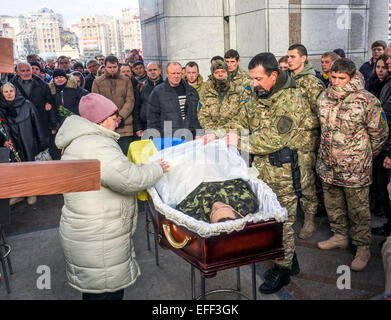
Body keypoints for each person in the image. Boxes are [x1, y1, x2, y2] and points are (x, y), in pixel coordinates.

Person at [54, 93, 169, 300]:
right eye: (114, 117)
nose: (118, 122)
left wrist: (133, 168)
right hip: (99, 235)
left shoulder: (81, 140)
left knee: (95, 292)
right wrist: (156, 169)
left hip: (89, 231)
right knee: (106, 294)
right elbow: (128, 180)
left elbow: (114, 172)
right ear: (101, 119)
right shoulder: (97, 144)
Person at [221, 52, 306, 294]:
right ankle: (290, 261)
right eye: (252, 78)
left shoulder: (290, 99)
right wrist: (225, 134)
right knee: (270, 217)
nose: (254, 83)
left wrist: (239, 140)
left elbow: (274, 139)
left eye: (258, 78)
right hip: (262, 170)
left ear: (274, 75)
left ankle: (283, 270)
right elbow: (241, 119)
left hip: (285, 173)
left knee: (282, 221)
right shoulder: (259, 95)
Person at [316, 58, 388, 272]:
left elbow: (380, 133)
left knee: (358, 210)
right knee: (333, 205)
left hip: (355, 168)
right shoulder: (324, 98)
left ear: (352, 77)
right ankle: (339, 236)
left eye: (342, 78)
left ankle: (362, 248)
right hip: (328, 165)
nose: (336, 81)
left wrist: (362, 155)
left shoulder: (367, 101)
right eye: (334, 77)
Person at [287, 43, 326, 239]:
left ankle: (310, 219)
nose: (289, 60)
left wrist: (297, 121)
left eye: (293, 56)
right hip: (288, 141)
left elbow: (322, 115)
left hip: (306, 141)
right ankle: (292, 215)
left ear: (303, 58)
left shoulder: (313, 83)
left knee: (306, 181)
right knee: (291, 179)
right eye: (288, 57)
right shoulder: (287, 81)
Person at [0, 83, 48, 205]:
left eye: (11, 90)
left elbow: (37, 123)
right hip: (11, 144)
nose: (9, 93)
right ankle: (18, 193)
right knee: (14, 169)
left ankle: (32, 191)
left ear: (15, 91)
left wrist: (41, 142)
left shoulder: (27, 105)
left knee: (29, 166)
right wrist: (2, 141)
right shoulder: (1, 109)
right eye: (6, 91)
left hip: (28, 141)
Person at [11, 62, 57, 159]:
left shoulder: (42, 85)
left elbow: (51, 104)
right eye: (23, 71)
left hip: (40, 124)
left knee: (41, 153)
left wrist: (53, 125)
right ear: (17, 72)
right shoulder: (11, 86)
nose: (26, 73)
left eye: (28, 70)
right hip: (20, 125)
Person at [92, 55, 136, 155]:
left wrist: (120, 117)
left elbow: (130, 100)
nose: (112, 70)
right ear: (105, 67)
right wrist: (110, 118)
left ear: (118, 66)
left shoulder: (126, 81)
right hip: (106, 125)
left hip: (125, 125)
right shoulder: (97, 82)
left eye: (114, 67)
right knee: (109, 156)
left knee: (126, 156)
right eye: (110, 67)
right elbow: (96, 103)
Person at [147, 62, 201, 139]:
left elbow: (198, 116)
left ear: (182, 74)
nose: (176, 76)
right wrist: (156, 139)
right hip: (168, 138)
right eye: (173, 73)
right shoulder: (158, 92)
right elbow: (152, 119)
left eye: (178, 73)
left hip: (190, 135)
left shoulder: (191, 91)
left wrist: (199, 133)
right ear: (167, 74)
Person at [198, 60, 251, 133]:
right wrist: (214, 132)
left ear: (227, 73)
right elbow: (202, 116)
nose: (220, 74)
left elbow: (244, 114)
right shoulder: (207, 93)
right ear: (212, 75)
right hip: (212, 135)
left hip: (234, 134)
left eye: (223, 71)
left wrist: (227, 130)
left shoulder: (239, 91)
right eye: (217, 72)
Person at [372, 54, 391, 237]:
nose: (384, 67)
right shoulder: (383, 84)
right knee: (383, 188)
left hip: (388, 149)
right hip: (383, 146)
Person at [49, 69, 88, 133]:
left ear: (66, 78)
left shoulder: (74, 88)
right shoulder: (52, 92)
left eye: (61, 77)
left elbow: (87, 97)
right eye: (56, 78)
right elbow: (52, 110)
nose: (59, 79)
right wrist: (54, 126)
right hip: (61, 124)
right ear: (53, 80)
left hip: (76, 122)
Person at [133, 62, 163, 138]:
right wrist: (138, 127)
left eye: (155, 70)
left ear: (160, 70)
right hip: (145, 127)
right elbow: (136, 108)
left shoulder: (167, 86)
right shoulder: (141, 87)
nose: (152, 72)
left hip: (164, 126)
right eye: (150, 70)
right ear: (146, 71)